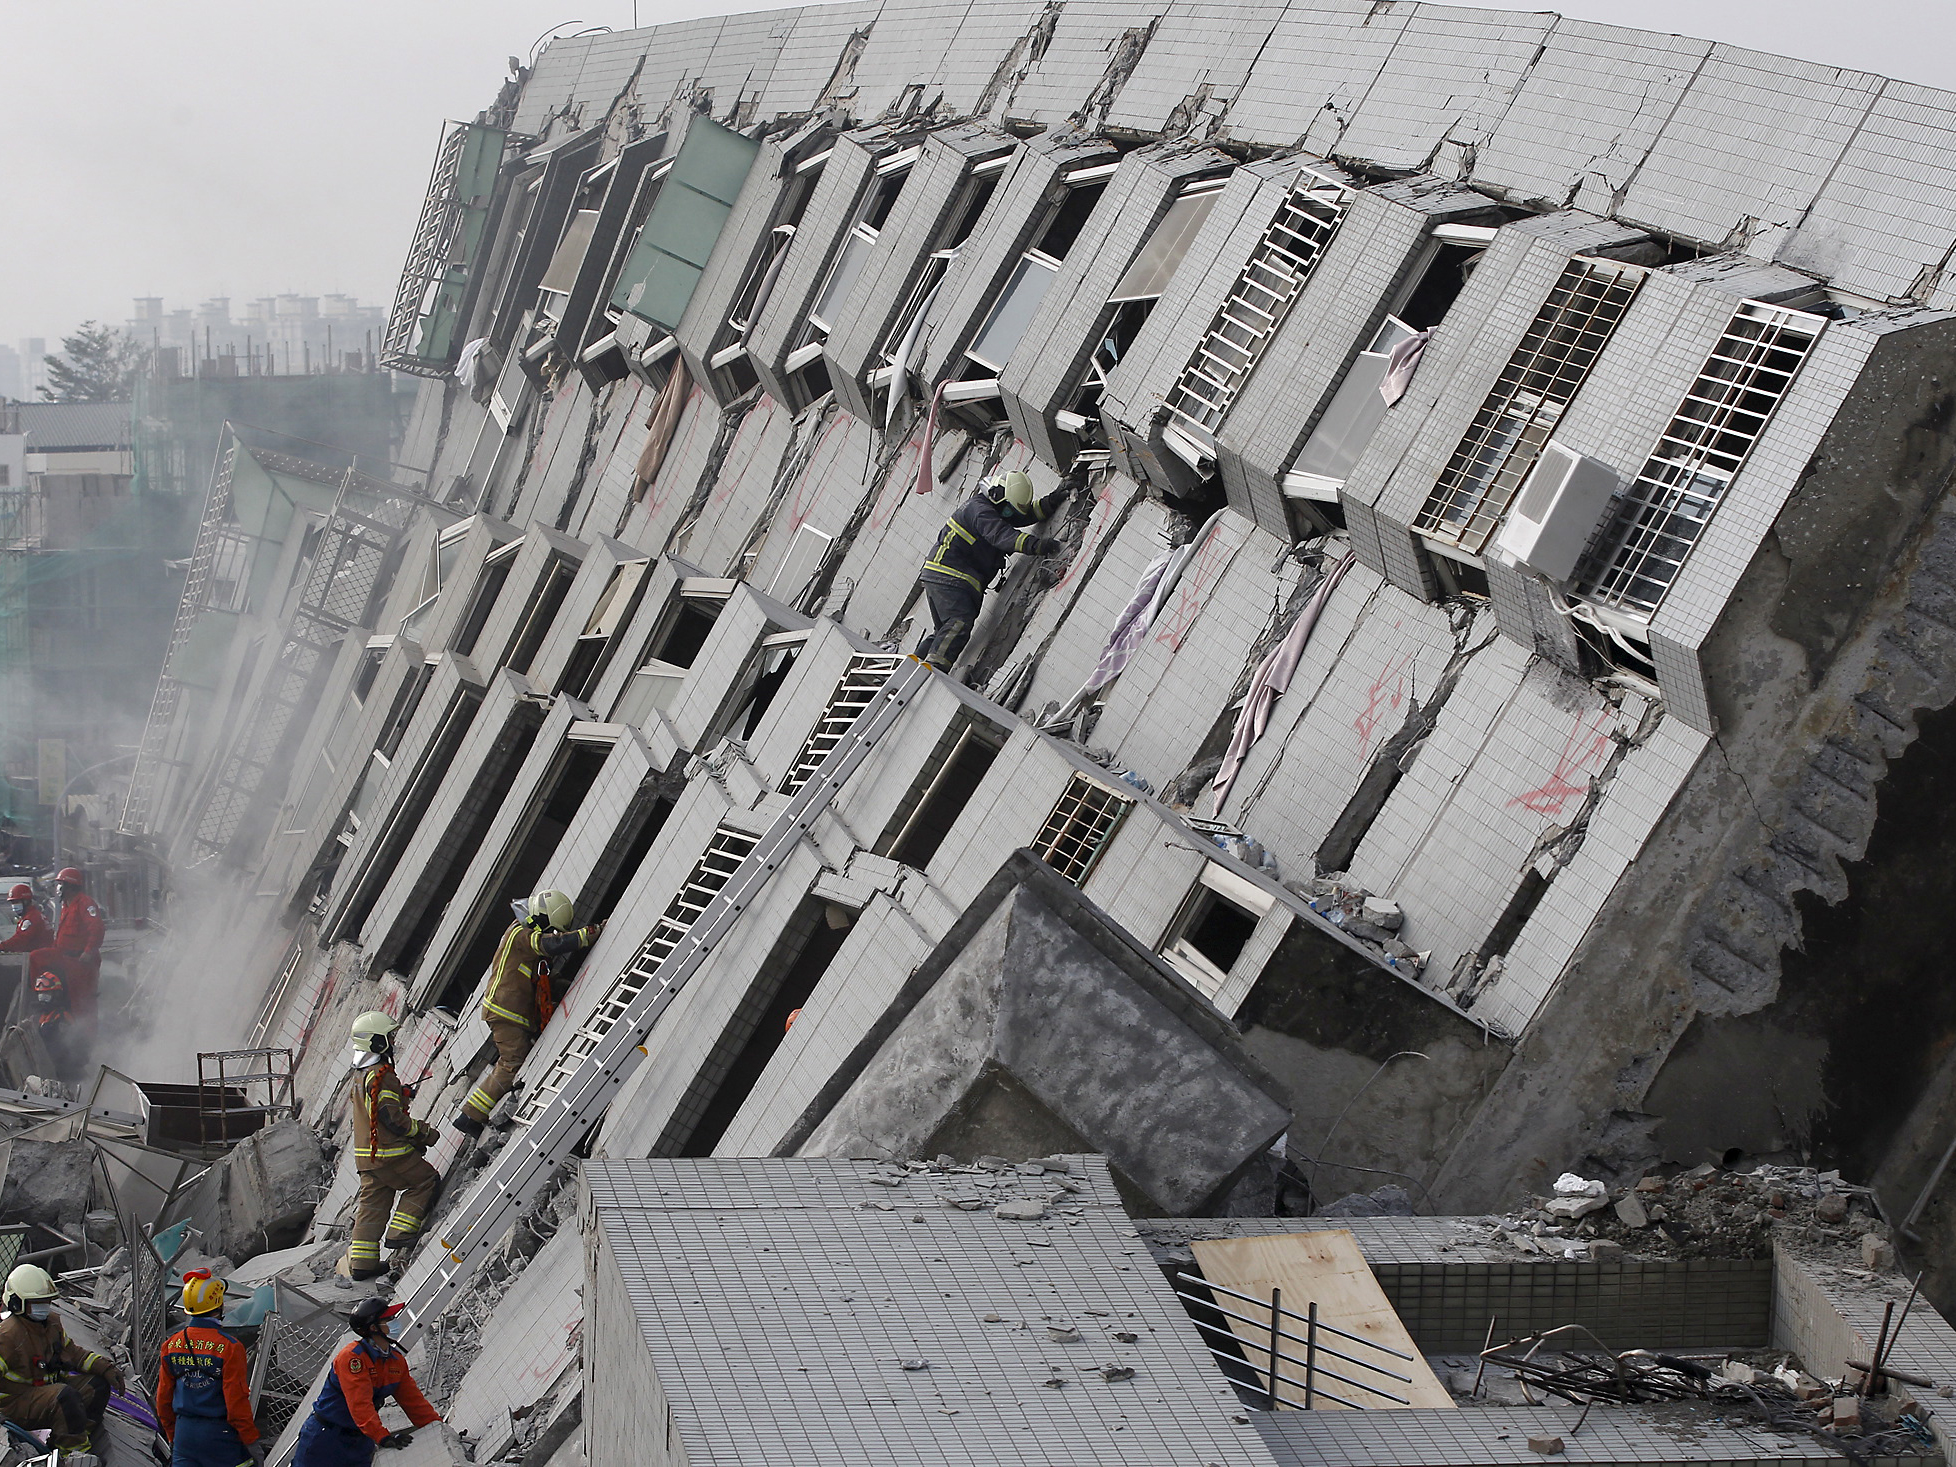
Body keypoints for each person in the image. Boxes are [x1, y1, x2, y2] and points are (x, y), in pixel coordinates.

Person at [450, 889, 602, 1138]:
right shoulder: (521, 934)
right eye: (550, 927)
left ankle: (472, 1114)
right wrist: (588, 934)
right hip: (505, 1011)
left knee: (511, 1060)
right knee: (511, 1063)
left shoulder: (520, 932)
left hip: (507, 1010)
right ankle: (470, 1116)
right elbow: (551, 945)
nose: (551, 932)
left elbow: (538, 976)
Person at [915, 468, 1078, 670]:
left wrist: (1052, 500)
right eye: (1008, 510)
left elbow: (1022, 516)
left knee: (944, 630)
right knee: (959, 622)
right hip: (949, 576)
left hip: (943, 576)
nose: (1009, 514)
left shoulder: (994, 506)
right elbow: (1002, 535)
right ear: (997, 495)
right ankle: (932, 672)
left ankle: (910, 666)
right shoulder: (980, 511)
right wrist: (1037, 545)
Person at [345, 1012, 440, 1281]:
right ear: (377, 1043)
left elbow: (375, 1108)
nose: (392, 1041)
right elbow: (392, 1119)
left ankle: (362, 1264)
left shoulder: (359, 1075)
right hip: (389, 1154)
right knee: (425, 1181)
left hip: (367, 1159)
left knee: (372, 1206)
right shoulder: (381, 1075)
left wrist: (401, 1094)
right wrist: (423, 1133)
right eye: (388, 1037)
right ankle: (401, 1234)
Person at [291, 1298, 439, 1467]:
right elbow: (360, 1404)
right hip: (326, 1437)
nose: (395, 1322)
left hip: (360, 1439)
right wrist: (383, 1436)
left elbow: (415, 1403)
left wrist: (438, 1427)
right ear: (374, 1328)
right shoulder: (352, 1358)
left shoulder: (395, 1361)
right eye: (388, 1320)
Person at [0, 1263, 124, 1454]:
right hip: (15, 1405)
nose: (44, 1307)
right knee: (64, 1397)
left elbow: (73, 1353)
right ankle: (74, 1456)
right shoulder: (8, 1336)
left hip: (44, 1393)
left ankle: (70, 1435)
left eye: (46, 1301)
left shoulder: (51, 1324)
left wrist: (105, 1368)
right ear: (17, 1303)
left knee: (96, 1386)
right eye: (37, 1302)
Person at [156, 1269, 262, 1467]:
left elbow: (163, 1400)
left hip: (184, 1433)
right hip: (219, 1436)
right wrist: (251, 1441)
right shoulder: (230, 1347)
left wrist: (174, 1436)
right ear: (218, 1305)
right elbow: (236, 1403)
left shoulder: (171, 1345)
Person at [30, 868, 103, 1030]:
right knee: (35, 957)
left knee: (81, 999)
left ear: (70, 886)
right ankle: (39, 993)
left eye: (61, 885)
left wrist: (88, 951)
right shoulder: (66, 905)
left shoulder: (85, 903)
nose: (58, 889)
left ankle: (85, 1033)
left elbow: (96, 928)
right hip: (64, 955)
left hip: (80, 961)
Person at [29, 971, 76, 1079]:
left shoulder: (63, 1017)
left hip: (61, 1070)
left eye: (46, 996)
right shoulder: (38, 1017)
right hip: (43, 1067)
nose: (42, 1000)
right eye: (40, 996)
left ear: (56, 995)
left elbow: (67, 1047)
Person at [0, 884, 50, 955]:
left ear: (26, 901)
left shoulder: (32, 918)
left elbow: (20, 941)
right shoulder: (31, 915)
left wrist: (2, 946)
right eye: (12, 903)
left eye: (16, 902)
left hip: (39, 958)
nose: (14, 906)